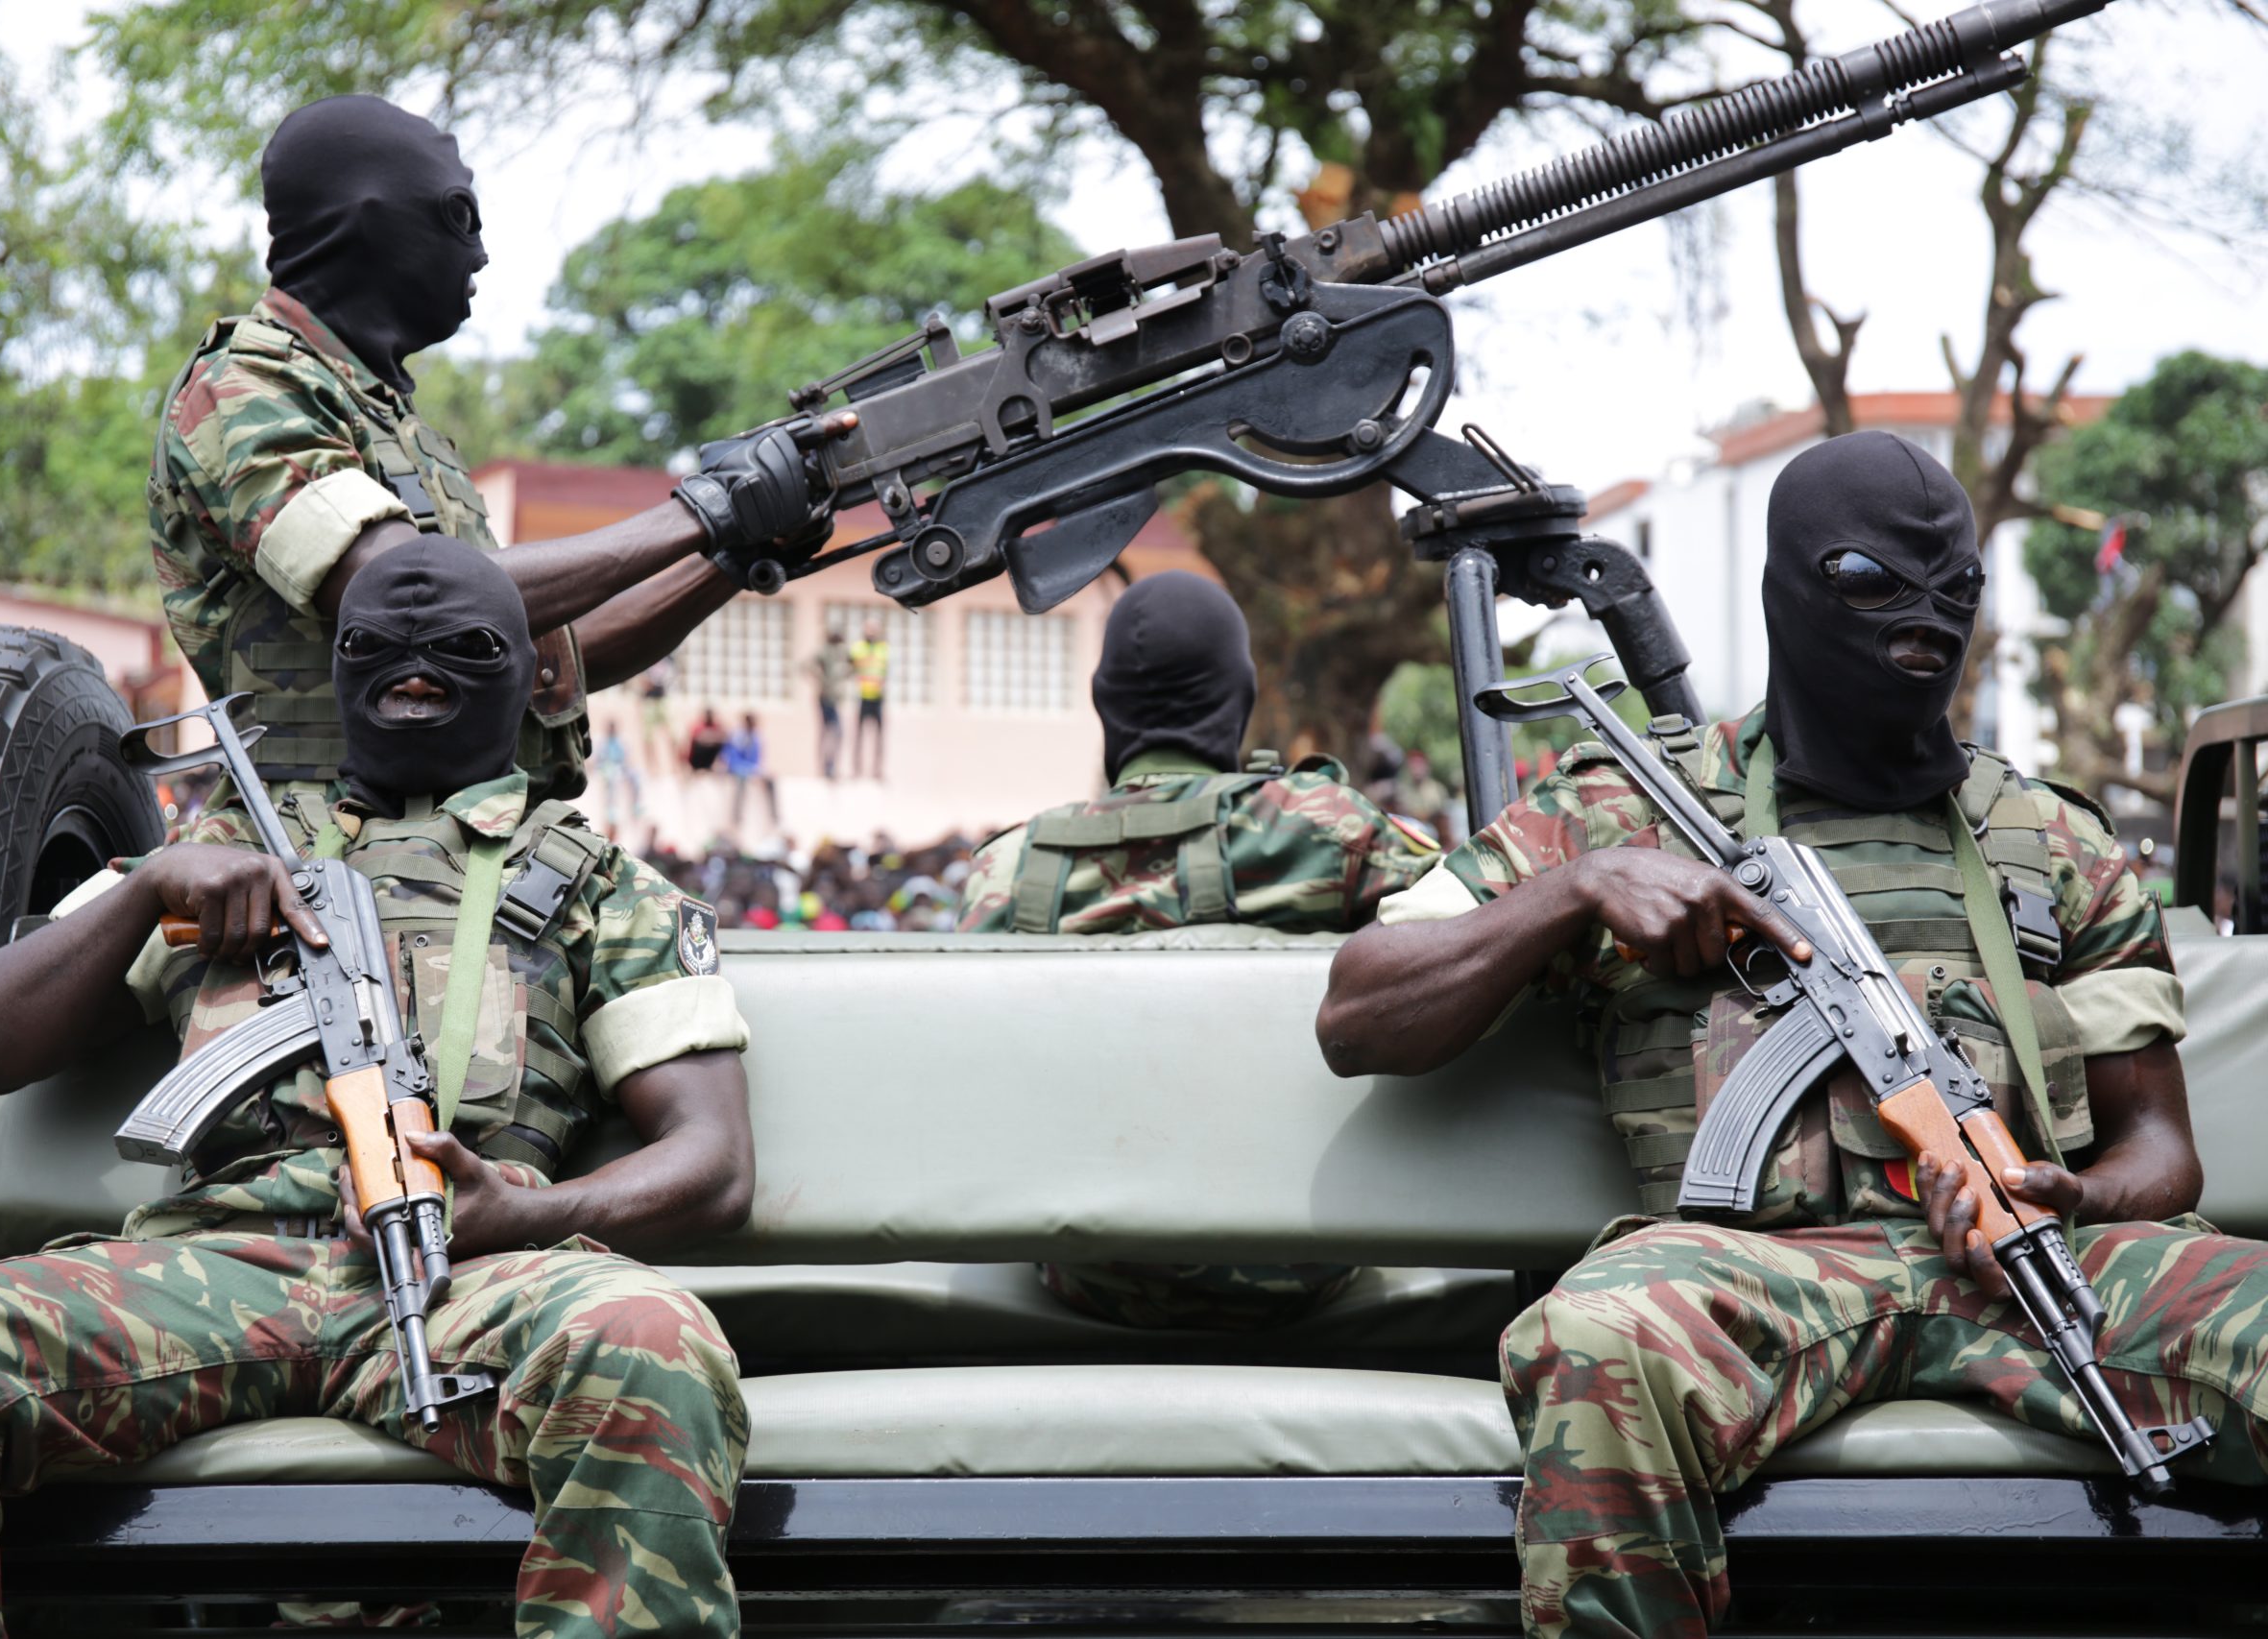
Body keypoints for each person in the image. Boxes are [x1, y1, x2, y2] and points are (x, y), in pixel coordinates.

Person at [1316, 432, 2268, 1639]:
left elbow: (2161, 1156)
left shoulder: (2052, 839)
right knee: (1595, 1342)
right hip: (1750, 1276)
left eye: (1956, 590)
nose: (1924, 623)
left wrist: (2060, 1191)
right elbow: (1358, 1010)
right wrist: (1578, 888)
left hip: (2040, 1270)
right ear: (1786, 588)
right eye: (1874, 583)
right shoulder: (1623, 805)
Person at [0, 539, 756, 1636]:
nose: (415, 670)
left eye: (461, 648)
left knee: (653, 1343)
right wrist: (149, 886)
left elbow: (713, 1162)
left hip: (466, 1278)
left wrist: (527, 1213)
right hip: (209, 1271)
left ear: (537, 674)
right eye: (377, 647)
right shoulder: (223, 845)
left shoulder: (600, 885)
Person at [147, 94, 825, 804]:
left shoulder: (395, 427)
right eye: (457, 215)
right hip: (327, 850)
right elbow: (415, 600)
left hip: (451, 842)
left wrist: (733, 556)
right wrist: (706, 507)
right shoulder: (244, 389)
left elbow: (550, 653)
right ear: (371, 219)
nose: (480, 251)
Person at [959, 571, 1439, 1330]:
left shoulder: (1008, 868)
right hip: (1304, 1264)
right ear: (1240, 696)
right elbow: (1475, 920)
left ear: (1104, 702)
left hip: (1084, 1274)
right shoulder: (1320, 828)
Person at [805, 623, 852, 779]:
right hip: (826, 698)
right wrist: (823, 680)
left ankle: (830, 766)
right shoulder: (825, 651)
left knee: (834, 733)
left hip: (834, 699)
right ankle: (827, 767)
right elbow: (807, 666)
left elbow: (852, 666)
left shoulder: (842, 651)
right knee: (830, 732)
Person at [849, 617, 890, 780]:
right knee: (858, 735)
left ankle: (877, 770)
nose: (871, 632)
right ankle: (857, 770)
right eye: (869, 629)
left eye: (874, 629)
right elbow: (849, 666)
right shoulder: (858, 648)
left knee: (879, 737)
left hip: (878, 697)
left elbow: (886, 671)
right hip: (863, 696)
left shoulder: (883, 648)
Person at [725, 711, 779, 830]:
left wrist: (757, 772)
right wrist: (744, 769)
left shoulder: (756, 737)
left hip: (752, 769)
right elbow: (730, 757)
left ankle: (775, 817)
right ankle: (737, 817)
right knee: (741, 781)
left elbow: (757, 760)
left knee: (770, 781)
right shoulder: (737, 736)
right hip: (737, 769)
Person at [592, 717, 638, 838]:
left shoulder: (621, 740)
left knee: (636, 776)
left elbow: (627, 759)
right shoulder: (601, 741)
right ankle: (611, 808)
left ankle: (636, 806)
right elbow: (596, 760)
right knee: (612, 778)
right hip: (606, 769)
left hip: (620, 768)